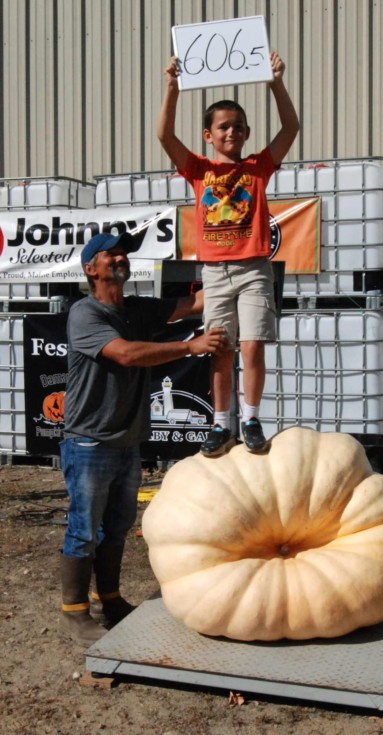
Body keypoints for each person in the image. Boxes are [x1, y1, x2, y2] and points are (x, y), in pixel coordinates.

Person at [59, 231, 226, 647]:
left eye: (123, 255)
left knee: (117, 526)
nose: (120, 259)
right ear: (90, 269)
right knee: (84, 529)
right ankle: (75, 612)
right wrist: (190, 347)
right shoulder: (84, 313)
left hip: (126, 441)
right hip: (89, 441)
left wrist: (235, 269)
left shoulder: (137, 309)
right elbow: (126, 354)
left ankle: (110, 599)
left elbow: (193, 303)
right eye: (111, 255)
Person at [157, 51, 299, 457]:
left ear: (247, 132)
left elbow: (291, 127)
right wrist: (172, 88)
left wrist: (275, 82)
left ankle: (250, 419)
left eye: (238, 126)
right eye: (223, 127)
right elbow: (165, 136)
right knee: (219, 348)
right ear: (209, 135)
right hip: (215, 271)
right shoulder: (198, 170)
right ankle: (221, 424)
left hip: (254, 268)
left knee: (252, 345)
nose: (231, 132)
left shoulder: (258, 167)